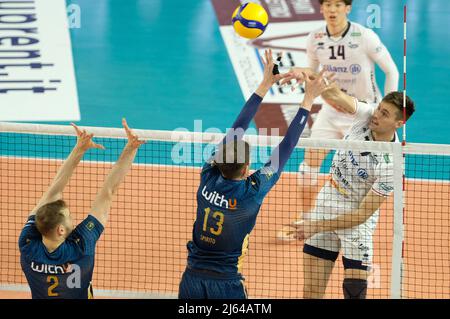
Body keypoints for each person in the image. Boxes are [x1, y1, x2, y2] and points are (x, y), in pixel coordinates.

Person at [178, 50, 332, 299]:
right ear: (247, 169)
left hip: (191, 280)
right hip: (226, 285)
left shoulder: (208, 175)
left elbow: (236, 130)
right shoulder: (250, 193)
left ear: (219, 160)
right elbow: (287, 146)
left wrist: (263, 85)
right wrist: (308, 100)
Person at [277, 0, 400, 240]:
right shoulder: (315, 39)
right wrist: (302, 73)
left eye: (337, 5)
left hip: (363, 113)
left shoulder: (364, 36)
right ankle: (308, 220)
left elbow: (392, 71)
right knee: (307, 169)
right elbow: (313, 73)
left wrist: (384, 110)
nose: (332, 10)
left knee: (365, 171)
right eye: (328, 5)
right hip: (331, 112)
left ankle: (357, 220)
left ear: (348, 8)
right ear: (321, 8)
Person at [284, 82, 415, 299]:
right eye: (378, 108)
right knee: (311, 292)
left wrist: (313, 226)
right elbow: (336, 94)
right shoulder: (366, 115)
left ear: (398, 123)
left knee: (354, 294)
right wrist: (310, 77)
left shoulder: (391, 163)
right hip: (326, 204)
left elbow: (362, 215)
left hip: (357, 224)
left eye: (384, 114)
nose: (376, 115)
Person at [18, 119, 145, 299]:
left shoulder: (28, 245)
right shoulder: (81, 247)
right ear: (61, 230)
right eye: (68, 217)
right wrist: (131, 148)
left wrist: (79, 148)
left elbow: (52, 193)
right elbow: (107, 193)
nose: (73, 218)